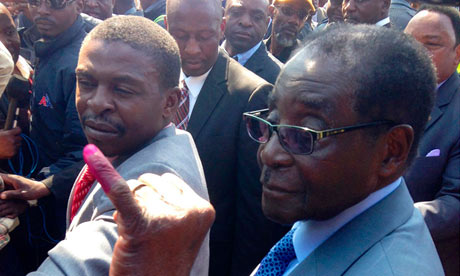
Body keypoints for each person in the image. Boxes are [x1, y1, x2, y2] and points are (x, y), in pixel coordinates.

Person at [81, 23, 445, 276]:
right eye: (270, 123)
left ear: (391, 151)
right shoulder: (326, 215)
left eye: (304, 134)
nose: (269, 154)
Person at [1, 15, 211, 275]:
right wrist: (40, 192)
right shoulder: (140, 142)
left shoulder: (150, 191)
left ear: (170, 103)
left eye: (123, 89)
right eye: (86, 83)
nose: (97, 102)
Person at [165, 0, 273, 274]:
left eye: (204, 37)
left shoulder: (250, 95)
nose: (191, 48)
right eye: (180, 36)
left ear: (221, 28)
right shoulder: (156, 80)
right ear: (167, 27)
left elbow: (253, 209)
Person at [404, 6, 460, 276]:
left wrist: (389, 218)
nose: (414, 54)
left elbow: (455, 201)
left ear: (457, 53)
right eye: (408, 43)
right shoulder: (383, 95)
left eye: (431, 45)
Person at [28, 0, 88, 177]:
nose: (42, 10)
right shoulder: (45, 45)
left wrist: (38, 189)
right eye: (34, 2)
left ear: (79, 5)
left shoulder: (79, 66)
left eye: (55, 3)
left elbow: (82, 152)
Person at [223, 0, 283, 84]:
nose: (245, 22)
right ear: (223, 15)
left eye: (257, 17)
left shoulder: (279, 78)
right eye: (236, 13)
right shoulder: (204, 58)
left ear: (266, 24)